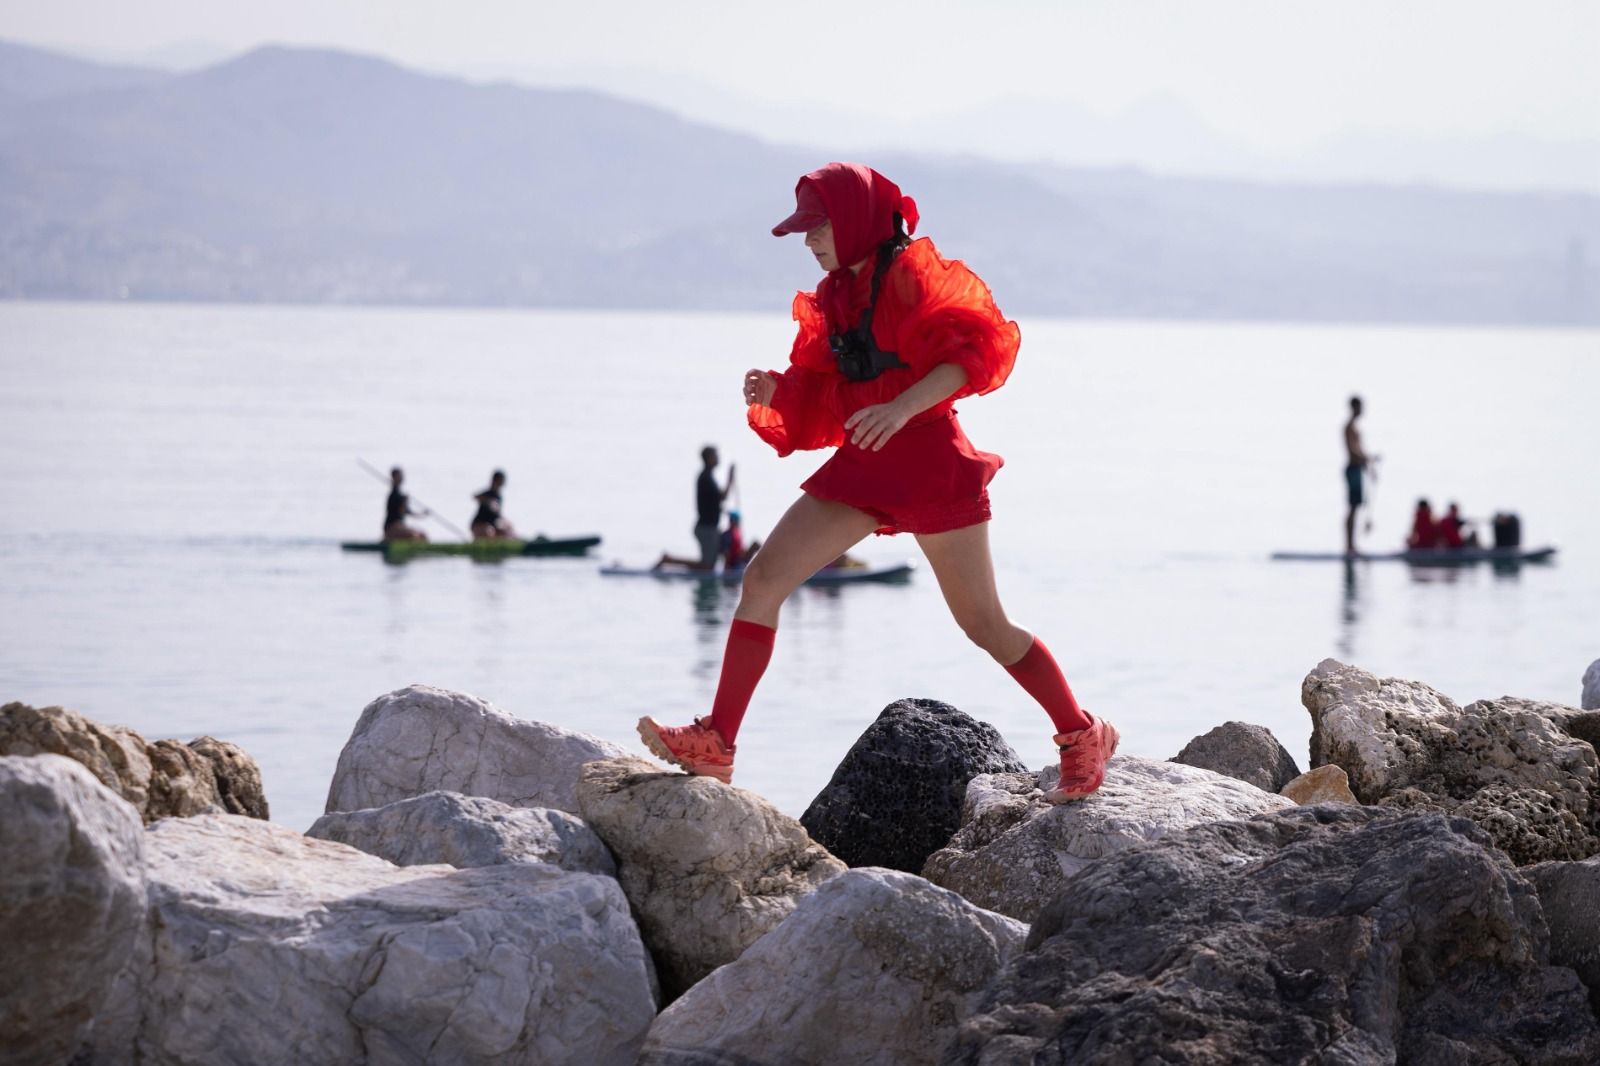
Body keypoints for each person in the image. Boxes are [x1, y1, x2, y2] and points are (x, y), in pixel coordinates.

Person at [638, 161, 1118, 804]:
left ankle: (1082, 733)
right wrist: (782, 392)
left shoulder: (911, 276)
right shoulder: (837, 295)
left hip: (928, 461)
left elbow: (970, 356)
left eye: (819, 228)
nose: (809, 242)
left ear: (859, 221)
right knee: (762, 580)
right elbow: (840, 395)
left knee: (984, 624)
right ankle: (718, 742)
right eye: (805, 231)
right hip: (866, 462)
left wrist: (900, 410)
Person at [655, 446, 736, 571]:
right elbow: (722, 497)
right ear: (709, 459)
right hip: (706, 528)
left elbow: (713, 502)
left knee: (710, 564)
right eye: (715, 455)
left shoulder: (709, 477)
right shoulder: (705, 478)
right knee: (707, 566)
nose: (718, 458)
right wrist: (730, 478)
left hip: (710, 527)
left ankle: (670, 560)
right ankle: (668, 560)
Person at [1344, 396, 1376, 555]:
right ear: (1353, 407)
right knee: (1353, 507)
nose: (1362, 410)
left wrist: (1369, 465)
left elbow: (1360, 451)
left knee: (1355, 507)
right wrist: (1367, 459)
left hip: (1358, 469)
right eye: (1359, 407)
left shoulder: (1355, 427)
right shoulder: (1349, 427)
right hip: (1352, 469)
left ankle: (1351, 545)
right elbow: (1353, 450)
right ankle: (1349, 545)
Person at [383, 467, 429, 542]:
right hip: (391, 528)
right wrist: (404, 501)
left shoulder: (401, 495)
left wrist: (423, 514)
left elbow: (408, 512)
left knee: (423, 535)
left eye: (401, 476)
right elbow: (401, 511)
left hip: (400, 527)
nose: (401, 478)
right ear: (394, 478)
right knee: (413, 536)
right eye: (399, 476)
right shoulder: (393, 495)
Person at [470, 470, 515, 540]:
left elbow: (497, 514)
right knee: (489, 531)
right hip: (480, 524)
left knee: (507, 529)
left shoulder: (499, 497)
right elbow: (475, 496)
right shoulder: (488, 493)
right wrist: (488, 501)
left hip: (492, 525)